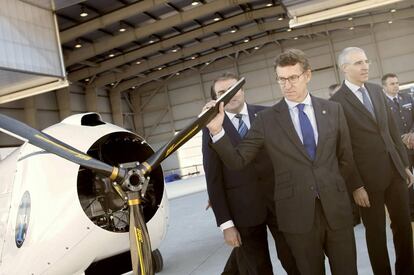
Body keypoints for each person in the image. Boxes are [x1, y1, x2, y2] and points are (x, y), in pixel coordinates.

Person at [204, 49, 358, 275]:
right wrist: (217, 130)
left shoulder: (333, 110)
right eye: (281, 79)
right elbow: (238, 160)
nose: (287, 84)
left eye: (293, 77)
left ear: (307, 75)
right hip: (297, 217)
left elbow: (345, 158)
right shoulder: (267, 120)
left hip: (336, 210)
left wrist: (330, 185)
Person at [202, 72, 299, 275]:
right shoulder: (211, 128)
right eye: (222, 92)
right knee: (256, 268)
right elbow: (213, 178)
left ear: (242, 90)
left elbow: (289, 159)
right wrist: (226, 224)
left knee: (294, 259)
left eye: (233, 89)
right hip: (242, 212)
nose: (229, 95)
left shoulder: (268, 115)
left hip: (280, 204)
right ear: (215, 99)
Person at [330, 47, 414, 275]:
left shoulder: (377, 91)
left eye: (366, 61)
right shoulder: (337, 102)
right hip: (367, 182)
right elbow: (343, 149)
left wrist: (404, 165)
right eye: (358, 63)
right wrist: (356, 185)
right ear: (344, 68)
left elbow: (392, 131)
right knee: (376, 233)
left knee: (404, 227)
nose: (365, 66)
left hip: (394, 171)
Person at [382, 72, 414, 220]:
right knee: (407, 179)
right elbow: (384, 126)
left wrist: (412, 133)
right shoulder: (381, 103)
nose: (396, 86)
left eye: (397, 83)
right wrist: (401, 139)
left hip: (413, 141)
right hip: (399, 148)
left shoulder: (406, 98)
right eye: (392, 84)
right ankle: (410, 210)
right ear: (384, 87)